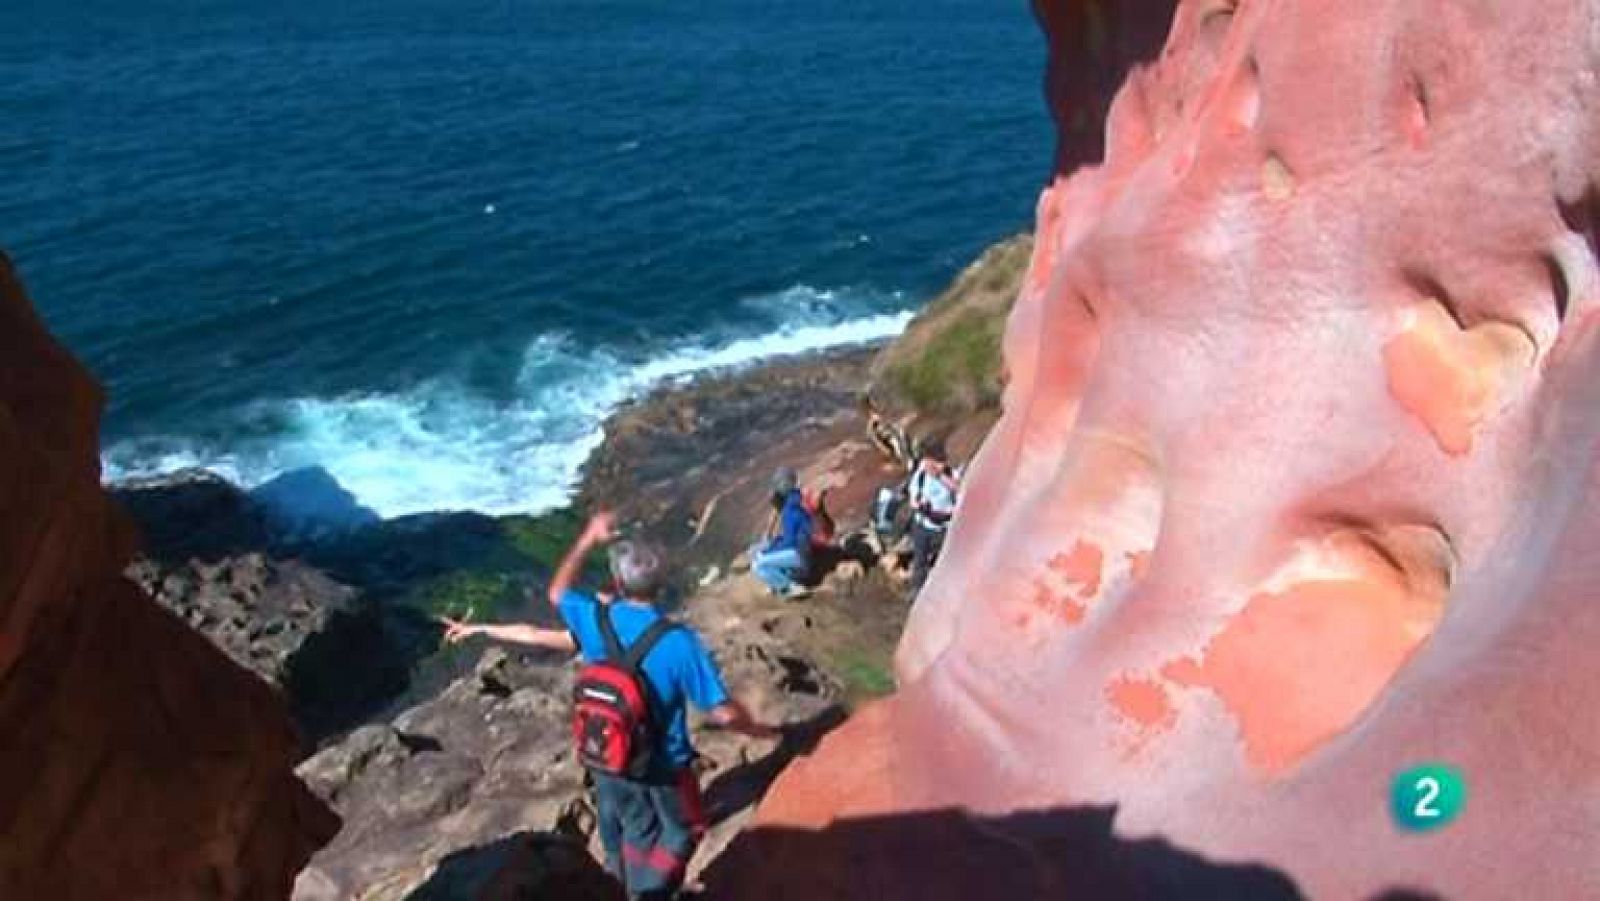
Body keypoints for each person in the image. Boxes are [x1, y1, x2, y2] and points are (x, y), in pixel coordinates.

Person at [443, 511, 777, 900]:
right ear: (661, 584)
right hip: (661, 765)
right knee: (682, 830)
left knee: (625, 820)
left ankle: (615, 884)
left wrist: (587, 538)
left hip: (604, 746)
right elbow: (722, 712)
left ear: (617, 582)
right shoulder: (678, 642)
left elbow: (553, 597)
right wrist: (759, 731)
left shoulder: (592, 620)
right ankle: (645, 893)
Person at [749, 467, 815, 598]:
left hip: (800, 556)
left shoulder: (791, 511)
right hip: (801, 552)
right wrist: (773, 544)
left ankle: (789, 587)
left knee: (758, 564)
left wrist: (769, 550)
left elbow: (790, 543)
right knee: (758, 554)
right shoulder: (793, 504)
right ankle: (776, 582)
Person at [907, 438, 959, 596]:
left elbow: (960, 489)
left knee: (948, 561)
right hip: (924, 525)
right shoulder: (920, 477)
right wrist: (920, 504)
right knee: (920, 560)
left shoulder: (950, 474)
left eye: (940, 461)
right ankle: (918, 590)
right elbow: (913, 499)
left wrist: (940, 477)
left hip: (945, 527)